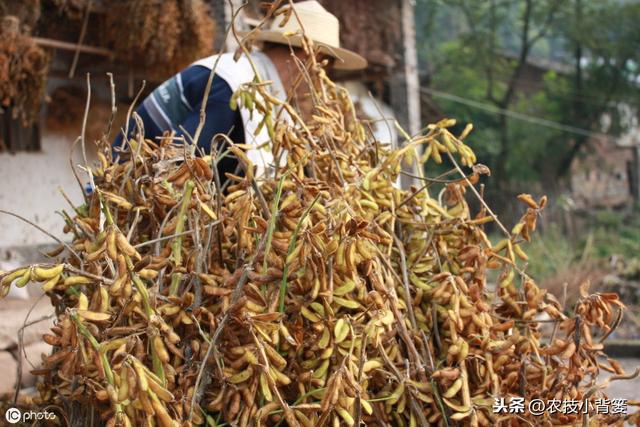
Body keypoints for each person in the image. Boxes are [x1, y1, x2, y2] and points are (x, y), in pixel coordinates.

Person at [113, 0, 366, 180]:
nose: (322, 81)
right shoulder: (232, 85)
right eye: (325, 69)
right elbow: (178, 169)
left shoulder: (253, 84)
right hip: (126, 193)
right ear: (308, 57)